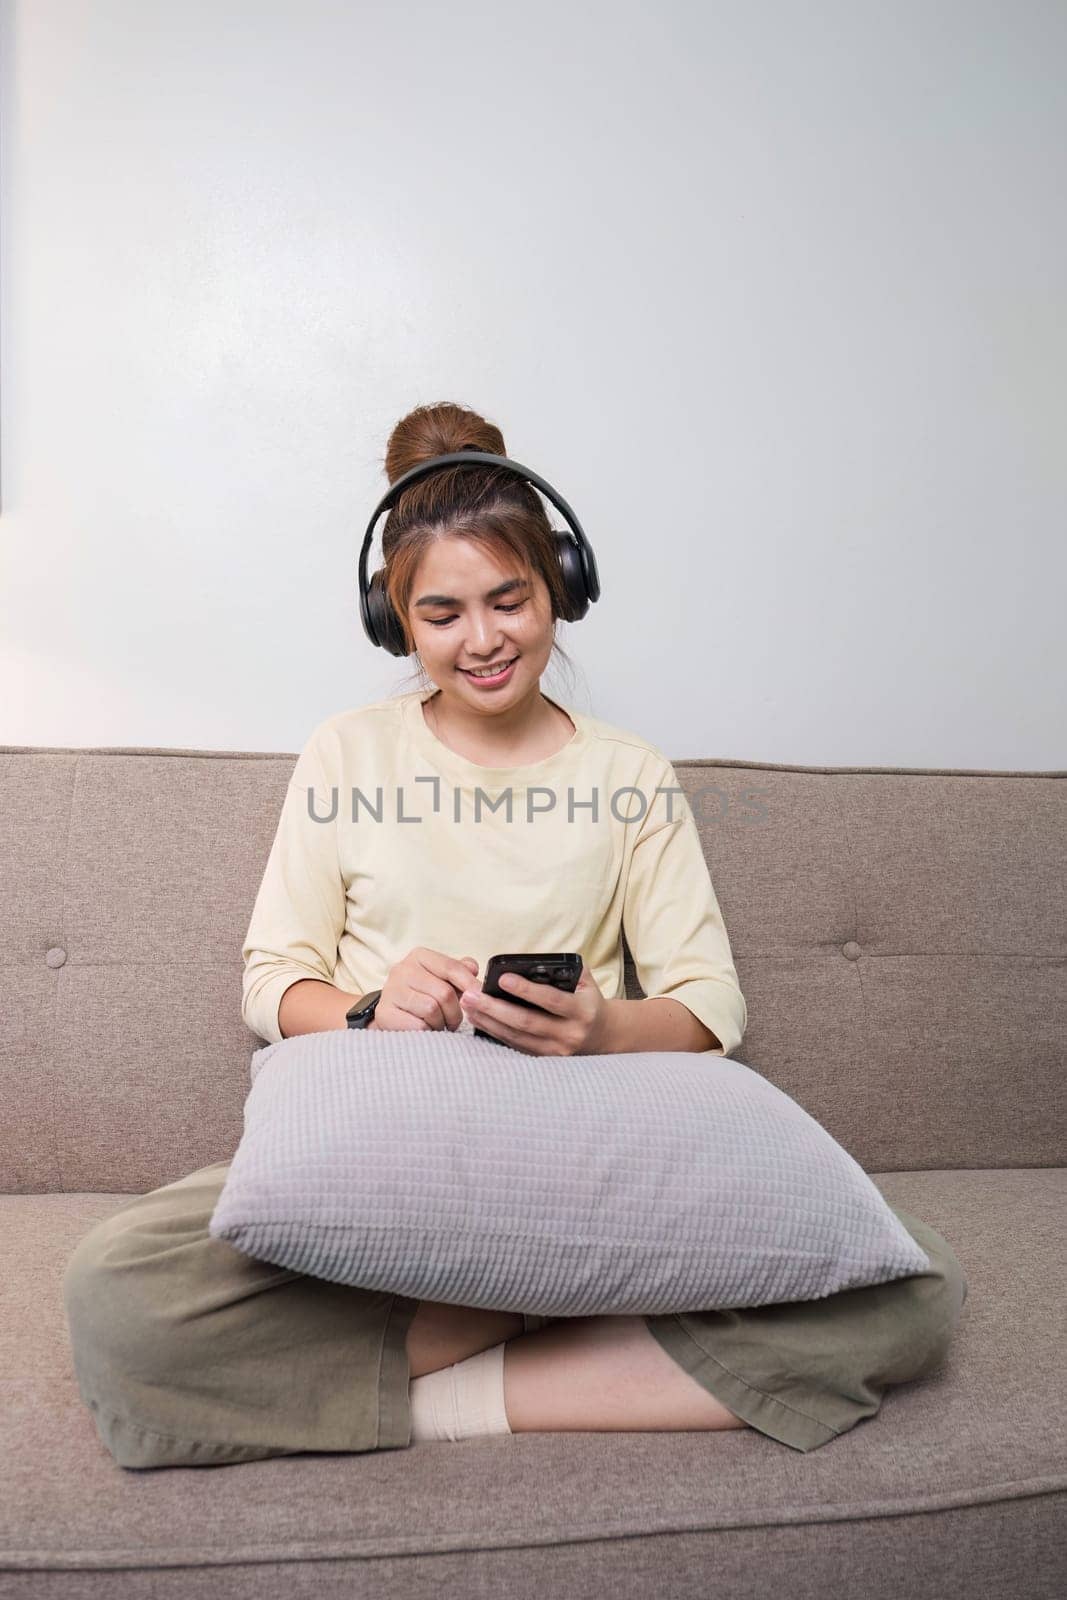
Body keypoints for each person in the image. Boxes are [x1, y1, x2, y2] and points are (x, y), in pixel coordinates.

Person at [62, 401, 967, 1468]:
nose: (482, 639)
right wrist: (367, 1007)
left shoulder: (628, 773)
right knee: (114, 1295)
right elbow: (271, 980)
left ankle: (458, 1376)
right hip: (382, 1153)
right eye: (441, 613)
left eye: (509, 599)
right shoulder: (346, 753)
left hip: (577, 1155)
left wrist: (597, 1026)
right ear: (392, 618)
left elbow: (708, 1004)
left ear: (559, 591)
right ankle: (558, 1319)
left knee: (913, 1290)